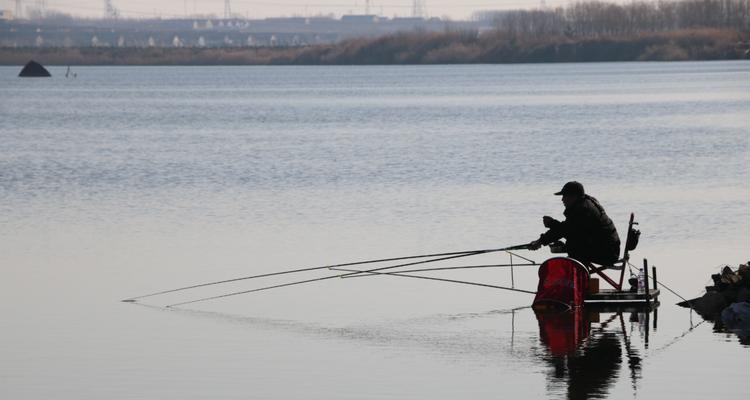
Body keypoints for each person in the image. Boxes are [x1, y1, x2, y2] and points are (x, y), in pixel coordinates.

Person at [529, 181, 621, 266]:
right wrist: (552, 226)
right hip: (609, 250)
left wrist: (540, 241)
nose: (562, 200)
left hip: (607, 254)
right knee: (572, 245)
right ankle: (579, 279)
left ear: (574, 196)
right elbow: (571, 229)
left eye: (565, 196)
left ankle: (579, 280)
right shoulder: (585, 204)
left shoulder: (582, 210)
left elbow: (565, 230)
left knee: (573, 247)